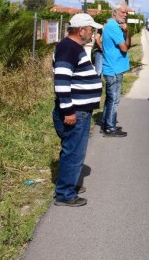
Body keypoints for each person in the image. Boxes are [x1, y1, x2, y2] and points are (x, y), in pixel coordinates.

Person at [52, 13, 103, 206]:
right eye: (91, 30)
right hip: (75, 111)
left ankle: (69, 183)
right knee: (74, 152)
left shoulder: (72, 47)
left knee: (72, 151)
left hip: (79, 110)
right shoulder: (68, 49)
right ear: (81, 30)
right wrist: (69, 111)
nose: (92, 34)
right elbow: (62, 82)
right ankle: (65, 194)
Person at [100, 2, 131, 137]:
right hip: (113, 69)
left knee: (110, 99)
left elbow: (126, 46)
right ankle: (110, 127)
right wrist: (127, 32)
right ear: (115, 12)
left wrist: (126, 31)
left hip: (113, 68)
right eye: (123, 12)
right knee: (114, 99)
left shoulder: (113, 26)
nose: (125, 15)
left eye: (126, 13)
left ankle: (106, 124)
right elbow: (125, 47)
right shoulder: (113, 27)